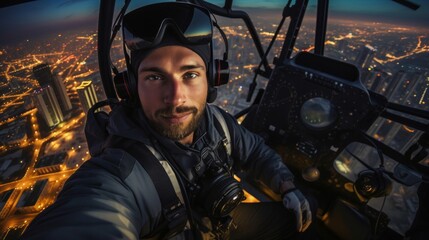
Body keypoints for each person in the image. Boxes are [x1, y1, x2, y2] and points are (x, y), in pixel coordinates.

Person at [20, 2, 314, 239]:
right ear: (131, 87)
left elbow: (254, 151)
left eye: (190, 75)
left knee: (298, 219)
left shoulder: (217, 123)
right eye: (155, 77)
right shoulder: (121, 171)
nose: (175, 97)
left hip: (216, 223)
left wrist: (286, 185)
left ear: (212, 79)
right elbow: (90, 214)